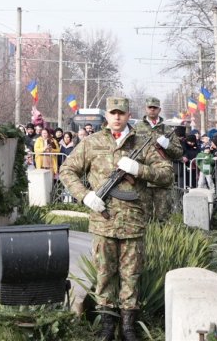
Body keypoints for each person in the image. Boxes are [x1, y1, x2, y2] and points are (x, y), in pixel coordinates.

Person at [59, 97, 172, 341]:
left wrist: (138, 169)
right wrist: (85, 195)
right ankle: (107, 326)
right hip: (103, 221)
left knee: (131, 275)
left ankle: (129, 327)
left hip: (133, 222)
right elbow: (67, 170)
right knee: (104, 274)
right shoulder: (92, 142)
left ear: (128, 113)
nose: (117, 117)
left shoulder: (143, 143)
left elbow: (166, 175)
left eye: (121, 113)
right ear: (107, 116)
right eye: (113, 113)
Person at [134, 97, 182, 221]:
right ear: (146, 109)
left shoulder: (167, 130)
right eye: (150, 107)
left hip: (162, 179)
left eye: (155, 108)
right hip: (142, 178)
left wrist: (168, 146)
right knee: (143, 217)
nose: (152, 110)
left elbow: (179, 153)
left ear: (159, 110)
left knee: (163, 217)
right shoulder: (136, 128)